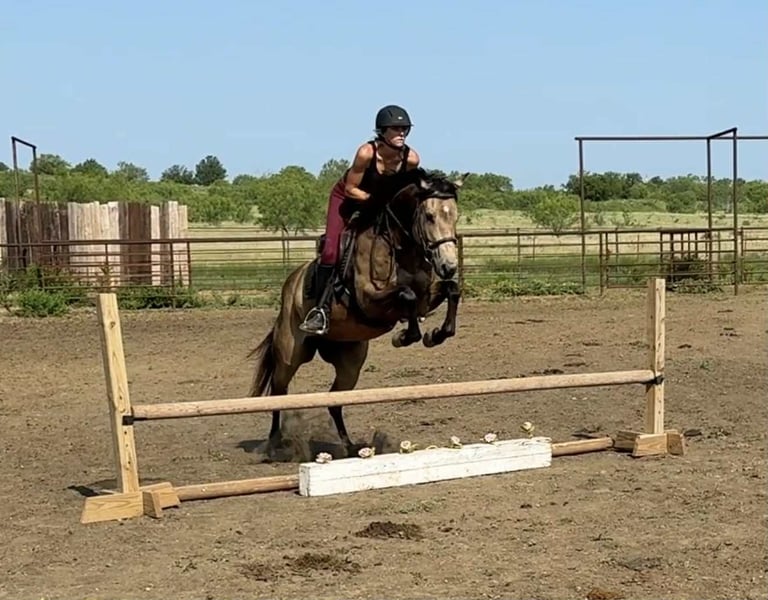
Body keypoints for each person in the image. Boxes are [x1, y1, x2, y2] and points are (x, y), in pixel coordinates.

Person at [299, 104, 421, 335]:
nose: (401, 133)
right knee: (331, 252)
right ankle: (320, 310)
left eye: (404, 129)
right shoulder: (366, 153)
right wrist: (376, 200)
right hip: (347, 200)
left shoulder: (411, 159)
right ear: (382, 132)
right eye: (396, 129)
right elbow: (350, 188)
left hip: (379, 204)